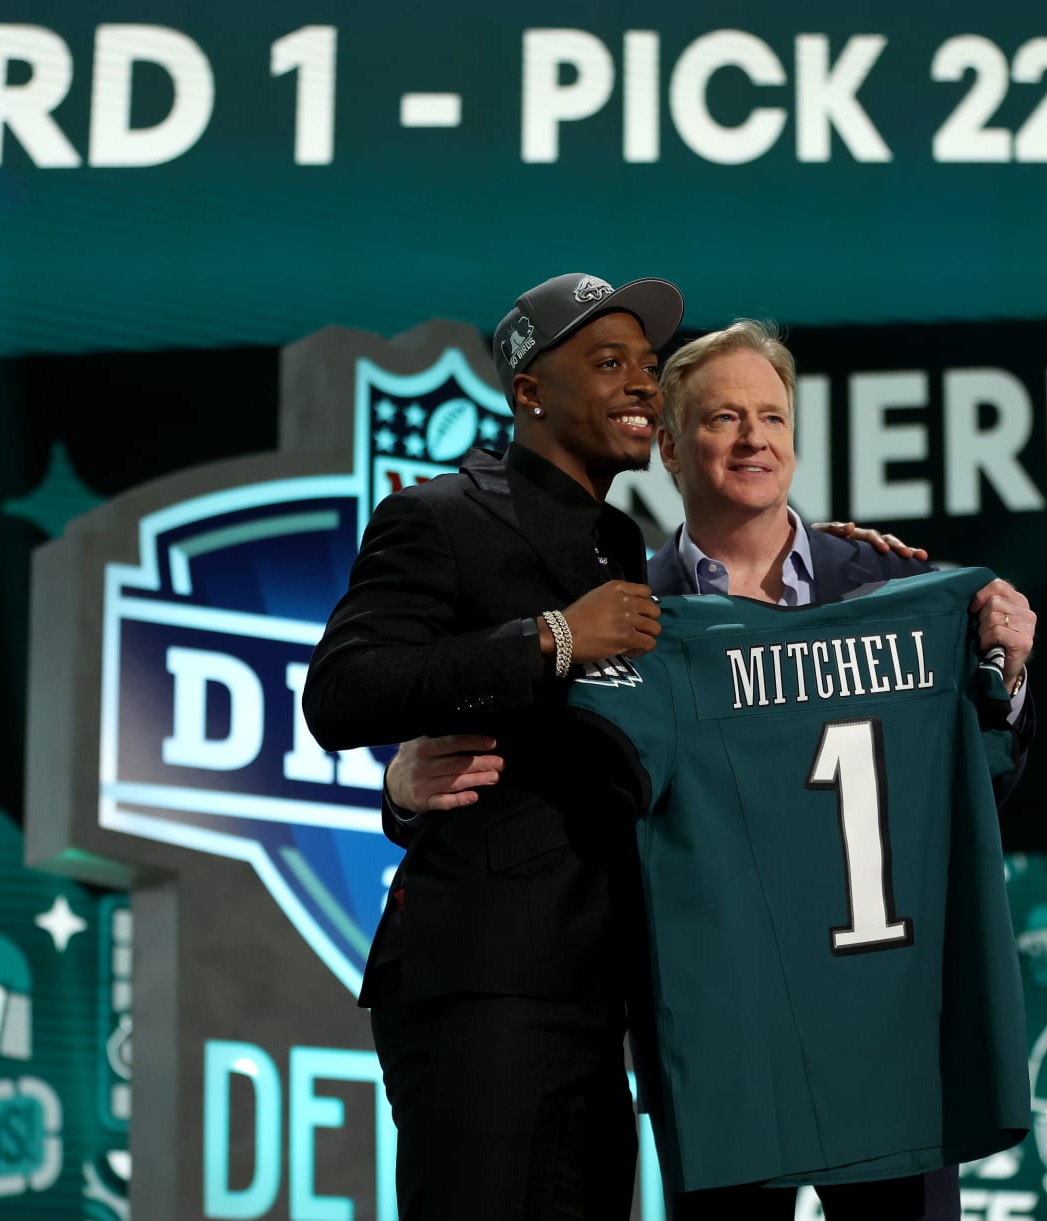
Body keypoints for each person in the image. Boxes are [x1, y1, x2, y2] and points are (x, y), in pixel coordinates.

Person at [391, 320, 1038, 1221]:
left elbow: (962, 790)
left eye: (772, 418)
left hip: (887, 1030)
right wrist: (404, 789)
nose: (753, 439)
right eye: (724, 418)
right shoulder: (628, 616)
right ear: (665, 446)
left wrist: (1004, 672)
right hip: (725, 1047)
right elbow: (551, 786)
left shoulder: (886, 583)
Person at [301, 271, 683, 1220]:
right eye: (608, 363)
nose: (644, 382)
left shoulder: (624, 544)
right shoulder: (440, 515)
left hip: (596, 995)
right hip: (483, 980)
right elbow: (341, 691)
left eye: (649, 364)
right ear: (528, 392)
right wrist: (551, 638)